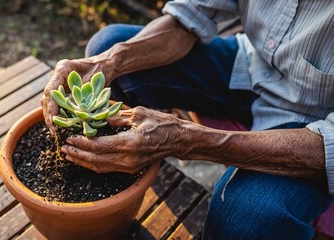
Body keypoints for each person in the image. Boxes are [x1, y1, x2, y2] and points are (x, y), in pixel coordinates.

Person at [41, 1, 334, 239]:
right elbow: (190, 15)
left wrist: (186, 139)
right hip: (256, 64)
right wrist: (107, 62)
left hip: (314, 123)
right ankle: (123, 187)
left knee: (245, 223)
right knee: (109, 44)